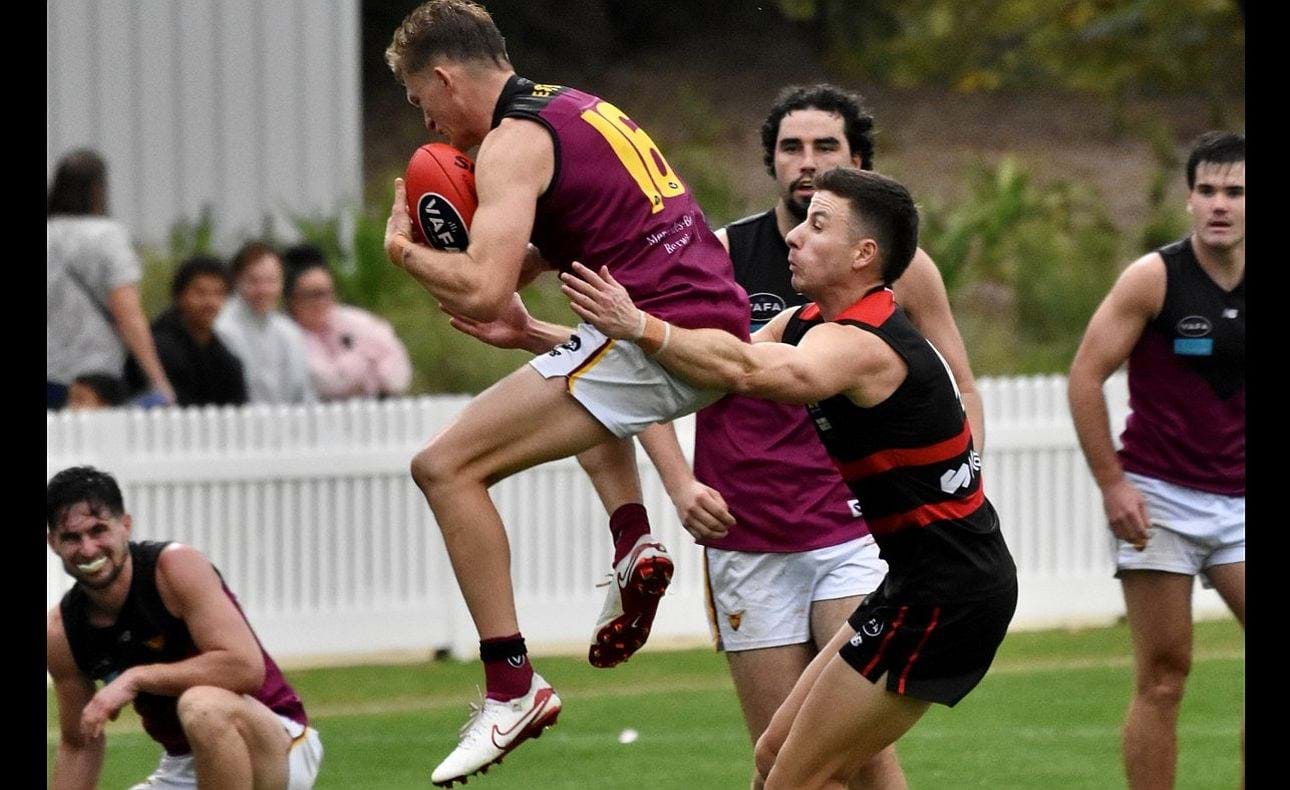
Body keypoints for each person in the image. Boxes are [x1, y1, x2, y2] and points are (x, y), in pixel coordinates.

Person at [381, 1, 748, 783]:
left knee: (444, 468)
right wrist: (501, 289)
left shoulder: (511, 144)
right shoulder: (574, 106)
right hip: (693, 316)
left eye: (420, 102)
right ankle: (631, 540)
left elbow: (483, 291)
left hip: (658, 329)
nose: (430, 126)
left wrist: (404, 252)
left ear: (445, 78)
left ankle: (511, 686)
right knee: (568, 371)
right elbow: (543, 255)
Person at [563, 166, 1018, 789]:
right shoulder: (808, 323)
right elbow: (713, 366)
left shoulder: (866, 345)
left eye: (818, 225)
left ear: (864, 254)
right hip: (915, 584)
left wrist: (640, 324)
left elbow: (751, 372)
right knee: (773, 758)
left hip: (951, 596)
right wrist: (542, 337)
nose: (796, 235)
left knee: (794, 781)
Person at [1067, 131, 1244, 789]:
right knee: (1165, 677)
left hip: (1239, 501)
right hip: (1158, 499)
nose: (1220, 204)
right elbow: (1085, 377)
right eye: (1207, 190)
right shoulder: (1154, 278)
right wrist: (1112, 484)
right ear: (1189, 199)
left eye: (1235, 191)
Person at [46, 466, 323, 788]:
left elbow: (245, 668)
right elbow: (79, 744)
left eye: (98, 530)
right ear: (53, 543)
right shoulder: (61, 632)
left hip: (274, 743)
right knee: (200, 710)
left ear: (125, 526)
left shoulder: (174, 568)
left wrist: (135, 678)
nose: (88, 549)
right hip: (184, 763)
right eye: (71, 537)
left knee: (202, 705)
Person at [48, 149, 175, 409]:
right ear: (98, 189)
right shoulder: (107, 236)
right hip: (96, 374)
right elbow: (127, 313)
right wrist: (158, 379)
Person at [282, 244, 413, 400]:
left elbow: (398, 373)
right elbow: (328, 382)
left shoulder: (354, 320)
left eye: (326, 293)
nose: (321, 302)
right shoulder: (287, 334)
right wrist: (364, 360)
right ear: (291, 299)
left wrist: (372, 379)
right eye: (312, 295)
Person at [127, 256, 248, 407]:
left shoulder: (226, 359)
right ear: (179, 296)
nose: (210, 302)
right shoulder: (155, 349)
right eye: (200, 293)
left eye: (219, 294)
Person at [215, 242, 317, 405]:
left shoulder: (289, 331)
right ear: (236, 280)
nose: (263, 290)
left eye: (271, 281)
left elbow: (304, 393)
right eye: (254, 281)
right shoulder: (221, 329)